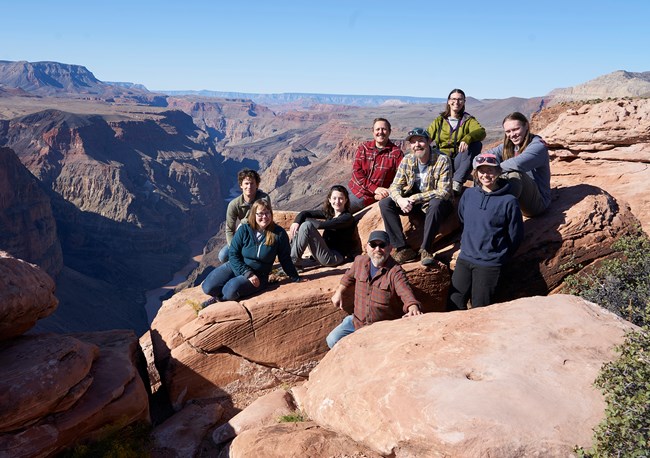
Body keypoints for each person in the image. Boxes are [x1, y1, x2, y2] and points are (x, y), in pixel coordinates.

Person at [448, 153, 524, 310]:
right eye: (482, 171)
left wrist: (498, 254)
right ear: (476, 173)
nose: (486, 175)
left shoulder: (509, 201)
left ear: (498, 172)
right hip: (465, 258)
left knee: (480, 308)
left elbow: (515, 235)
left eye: (490, 171)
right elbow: (463, 220)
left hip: (489, 264)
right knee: (453, 303)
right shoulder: (469, 194)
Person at [326, 230, 422, 348]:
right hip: (357, 322)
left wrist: (413, 307)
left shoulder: (395, 271)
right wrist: (339, 292)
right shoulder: (359, 261)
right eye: (373, 245)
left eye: (382, 245)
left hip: (380, 329)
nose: (377, 249)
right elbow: (348, 277)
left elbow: (405, 291)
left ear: (390, 248)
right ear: (367, 247)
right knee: (332, 340)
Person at [201, 199, 299, 307]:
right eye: (260, 213)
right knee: (208, 287)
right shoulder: (245, 229)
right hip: (236, 266)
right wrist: (247, 273)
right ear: (254, 214)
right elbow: (233, 253)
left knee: (230, 291)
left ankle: (219, 299)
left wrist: (295, 277)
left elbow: (285, 259)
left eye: (267, 213)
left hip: (258, 275)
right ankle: (221, 292)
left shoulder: (279, 234)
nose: (264, 217)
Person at [379, 127, 453, 266]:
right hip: (416, 205)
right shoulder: (408, 160)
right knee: (385, 203)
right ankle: (402, 248)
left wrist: (415, 198)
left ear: (429, 141)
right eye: (413, 142)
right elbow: (395, 186)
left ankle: (426, 249)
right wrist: (400, 199)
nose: (416, 145)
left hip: (437, 206)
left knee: (436, 203)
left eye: (420, 141)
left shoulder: (442, 160)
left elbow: (444, 191)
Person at [485, 112, 551, 216]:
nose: (512, 134)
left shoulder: (538, 146)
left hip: (537, 203)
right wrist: (481, 167)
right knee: (482, 172)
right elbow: (483, 157)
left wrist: (491, 170)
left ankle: (497, 215)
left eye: (516, 129)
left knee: (514, 175)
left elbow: (517, 164)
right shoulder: (509, 146)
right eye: (508, 131)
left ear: (526, 126)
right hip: (518, 198)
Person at [426, 88, 486, 195]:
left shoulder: (468, 120)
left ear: (464, 102)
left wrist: (467, 138)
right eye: (453, 99)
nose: (456, 102)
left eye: (460, 99)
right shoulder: (440, 120)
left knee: (476, 144)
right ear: (448, 101)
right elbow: (427, 138)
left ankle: (456, 182)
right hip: (442, 160)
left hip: (459, 161)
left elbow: (481, 132)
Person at [289, 185, 357, 269]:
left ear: (346, 200)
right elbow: (305, 213)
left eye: (341, 198)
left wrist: (303, 222)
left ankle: (293, 263)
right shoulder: (331, 214)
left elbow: (320, 225)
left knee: (306, 226)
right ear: (329, 200)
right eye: (334, 198)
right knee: (299, 225)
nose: (337, 201)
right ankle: (290, 259)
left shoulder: (346, 218)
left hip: (333, 257)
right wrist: (296, 222)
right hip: (324, 252)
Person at [347, 117, 404, 213]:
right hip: (353, 188)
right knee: (331, 202)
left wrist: (385, 193)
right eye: (377, 129)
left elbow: (401, 179)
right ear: (373, 132)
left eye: (384, 129)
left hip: (366, 197)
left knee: (338, 210)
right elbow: (356, 172)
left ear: (389, 132)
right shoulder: (364, 148)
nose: (380, 132)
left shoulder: (397, 154)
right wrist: (375, 188)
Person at [218, 169, 269, 263]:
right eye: (246, 183)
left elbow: (261, 219)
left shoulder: (264, 198)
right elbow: (229, 229)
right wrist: (233, 248)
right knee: (223, 256)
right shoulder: (234, 204)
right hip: (244, 236)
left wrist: (243, 222)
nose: (249, 186)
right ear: (241, 185)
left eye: (252, 183)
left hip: (261, 233)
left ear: (257, 185)